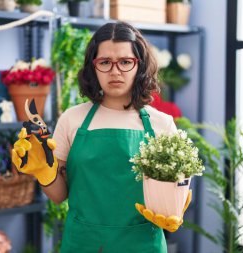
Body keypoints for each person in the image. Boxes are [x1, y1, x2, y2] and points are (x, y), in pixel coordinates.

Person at [12, 21, 180, 253]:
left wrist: (174, 208)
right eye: (105, 62)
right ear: (93, 67)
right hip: (84, 243)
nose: (115, 71)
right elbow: (59, 196)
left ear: (139, 65)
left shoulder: (162, 124)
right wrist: (43, 172)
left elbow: (172, 194)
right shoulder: (72, 120)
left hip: (143, 244)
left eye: (125, 62)